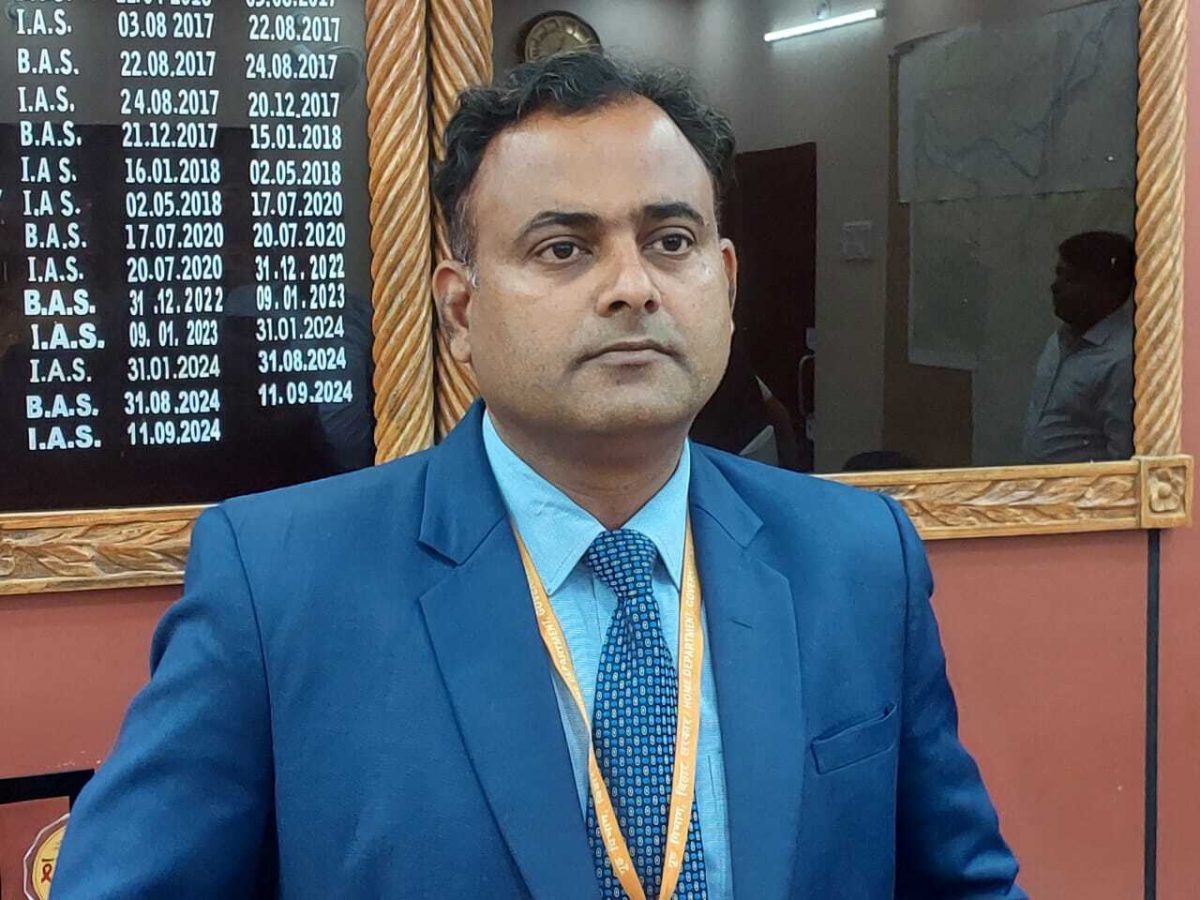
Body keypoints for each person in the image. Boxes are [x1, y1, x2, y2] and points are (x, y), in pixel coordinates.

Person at [52, 52, 1024, 898]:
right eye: (564, 249)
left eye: (672, 242)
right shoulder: (280, 583)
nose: (633, 286)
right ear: (460, 312)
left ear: (726, 283)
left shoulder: (856, 557)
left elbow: (962, 882)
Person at [1022, 231, 1136, 464]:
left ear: (1106, 288)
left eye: (1071, 278)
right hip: (1035, 483)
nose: (1055, 286)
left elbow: (1122, 461)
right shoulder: (1058, 340)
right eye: (1058, 274)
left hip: (1082, 487)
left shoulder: (1123, 359)